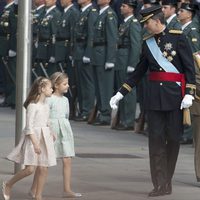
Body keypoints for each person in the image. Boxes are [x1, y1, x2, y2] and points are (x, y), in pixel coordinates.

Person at [110, 5, 196, 197]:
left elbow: (189, 68)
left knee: (173, 140)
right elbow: (139, 71)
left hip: (175, 98)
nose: (145, 26)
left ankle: (168, 179)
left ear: (157, 21)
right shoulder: (147, 42)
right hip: (154, 99)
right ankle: (159, 184)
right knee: (155, 142)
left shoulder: (178, 37)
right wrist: (121, 93)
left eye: (147, 23)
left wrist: (189, 92)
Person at [2, 77, 57, 200]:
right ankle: (8, 184)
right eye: (50, 87)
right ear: (42, 89)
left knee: (43, 167)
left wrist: (51, 132)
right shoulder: (33, 106)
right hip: (34, 138)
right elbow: (29, 127)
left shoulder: (46, 105)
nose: (52, 89)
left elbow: (47, 121)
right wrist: (35, 143)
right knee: (30, 169)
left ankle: (38, 196)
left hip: (45, 137)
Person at [30, 72, 82, 198]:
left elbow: (66, 116)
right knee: (44, 163)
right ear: (56, 85)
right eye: (65, 84)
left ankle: (67, 189)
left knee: (67, 159)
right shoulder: (49, 99)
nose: (68, 86)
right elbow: (45, 115)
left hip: (64, 131)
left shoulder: (65, 100)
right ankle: (34, 189)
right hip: (51, 131)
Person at [114, 0, 142, 130]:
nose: (121, 8)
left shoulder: (133, 24)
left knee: (128, 91)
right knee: (122, 90)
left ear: (131, 9)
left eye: (124, 6)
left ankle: (129, 120)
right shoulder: (125, 22)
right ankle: (124, 119)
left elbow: (136, 45)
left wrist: (133, 64)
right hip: (121, 59)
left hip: (127, 60)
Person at [92, 0, 118, 125]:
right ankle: (102, 111)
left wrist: (110, 59)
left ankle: (105, 114)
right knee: (98, 86)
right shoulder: (100, 13)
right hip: (97, 55)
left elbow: (112, 38)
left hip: (104, 56)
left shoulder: (109, 14)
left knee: (105, 87)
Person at [73, 0, 98, 121]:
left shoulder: (91, 12)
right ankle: (83, 109)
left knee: (87, 83)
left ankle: (87, 110)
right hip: (78, 51)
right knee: (80, 83)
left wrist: (88, 53)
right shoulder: (82, 11)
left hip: (84, 51)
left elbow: (91, 34)